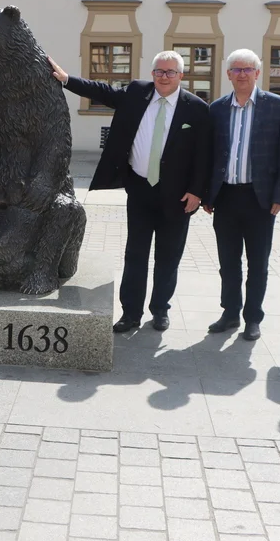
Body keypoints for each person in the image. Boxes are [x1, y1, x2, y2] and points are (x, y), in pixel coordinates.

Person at [49, 51, 212, 332]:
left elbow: (204, 155)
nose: (164, 76)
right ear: (152, 73)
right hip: (140, 188)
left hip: (178, 196)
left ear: (181, 76)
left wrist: (197, 192)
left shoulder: (196, 108)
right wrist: (66, 80)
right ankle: (131, 313)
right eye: (159, 71)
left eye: (171, 72)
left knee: (168, 256)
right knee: (135, 254)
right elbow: (102, 91)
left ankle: (160, 310)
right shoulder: (138, 93)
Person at [203, 49, 280, 341]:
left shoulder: (276, 106)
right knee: (228, 261)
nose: (242, 74)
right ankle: (230, 313)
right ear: (228, 74)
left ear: (258, 73)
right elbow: (209, 154)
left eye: (248, 69)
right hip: (226, 196)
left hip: (260, 198)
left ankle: (253, 317)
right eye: (236, 69)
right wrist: (208, 194)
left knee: (258, 263)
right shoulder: (216, 108)